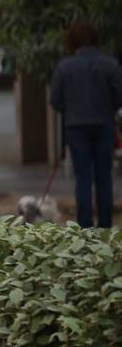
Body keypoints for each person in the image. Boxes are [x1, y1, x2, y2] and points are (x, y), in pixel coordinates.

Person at [50, 21, 122, 228]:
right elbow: (120, 95)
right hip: (104, 125)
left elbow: (55, 100)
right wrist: (108, 107)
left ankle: (84, 227)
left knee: (82, 177)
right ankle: (105, 226)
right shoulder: (110, 65)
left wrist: (71, 109)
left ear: (72, 41)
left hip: (76, 127)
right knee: (104, 177)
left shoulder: (64, 67)